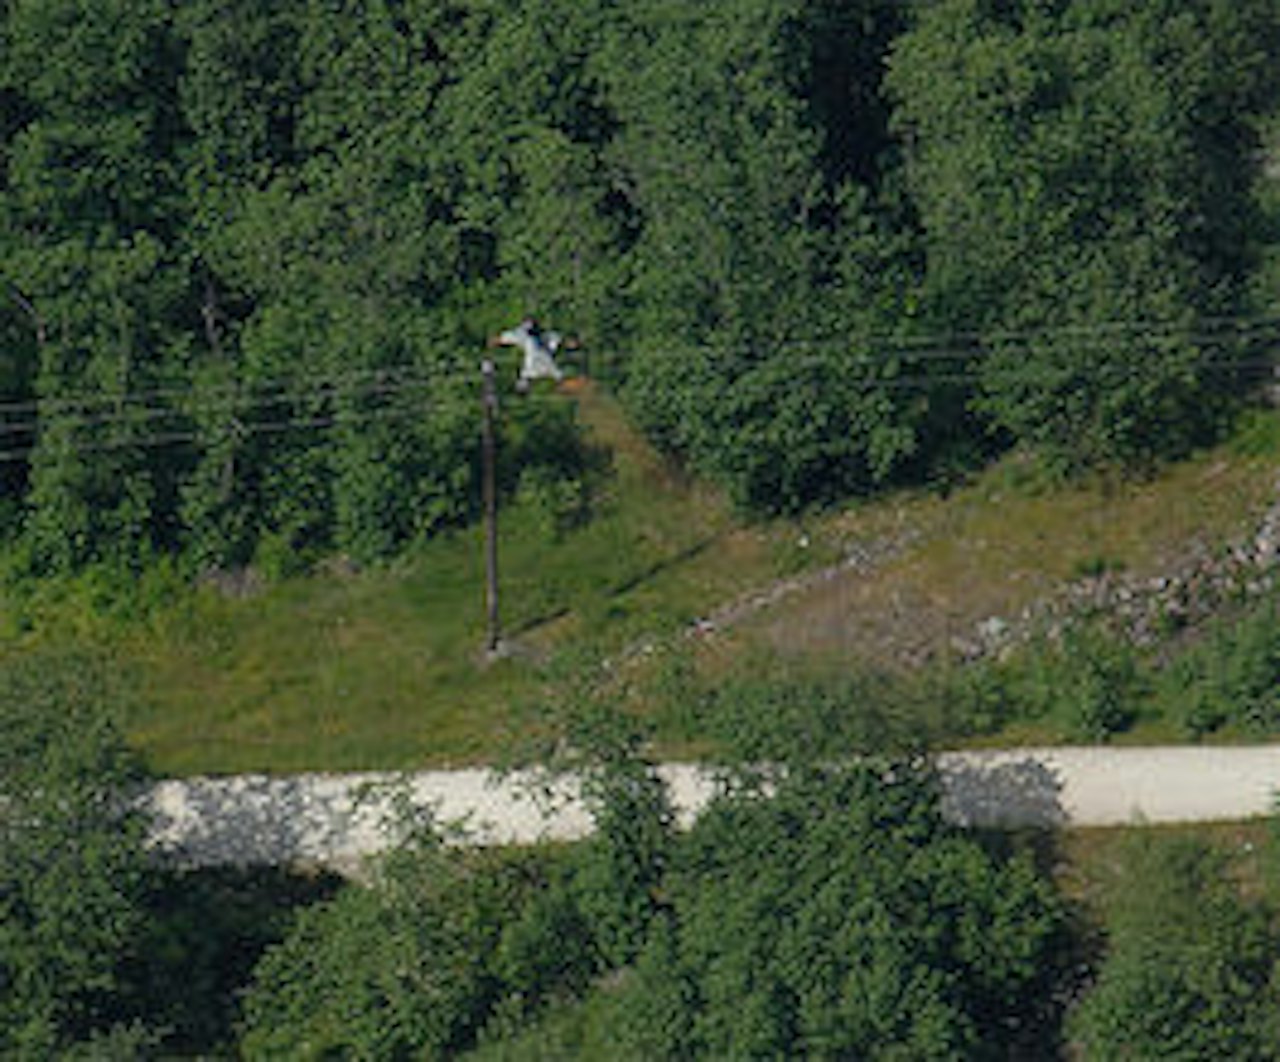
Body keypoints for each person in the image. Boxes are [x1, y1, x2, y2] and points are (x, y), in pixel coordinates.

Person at [489, 316, 569, 392]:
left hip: (544, 364)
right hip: (536, 365)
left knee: (554, 373)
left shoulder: (547, 336)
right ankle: (523, 389)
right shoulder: (525, 336)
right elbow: (511, 337)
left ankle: (563, 385)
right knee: (532, 371)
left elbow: (559, 341)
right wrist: (498, 340)